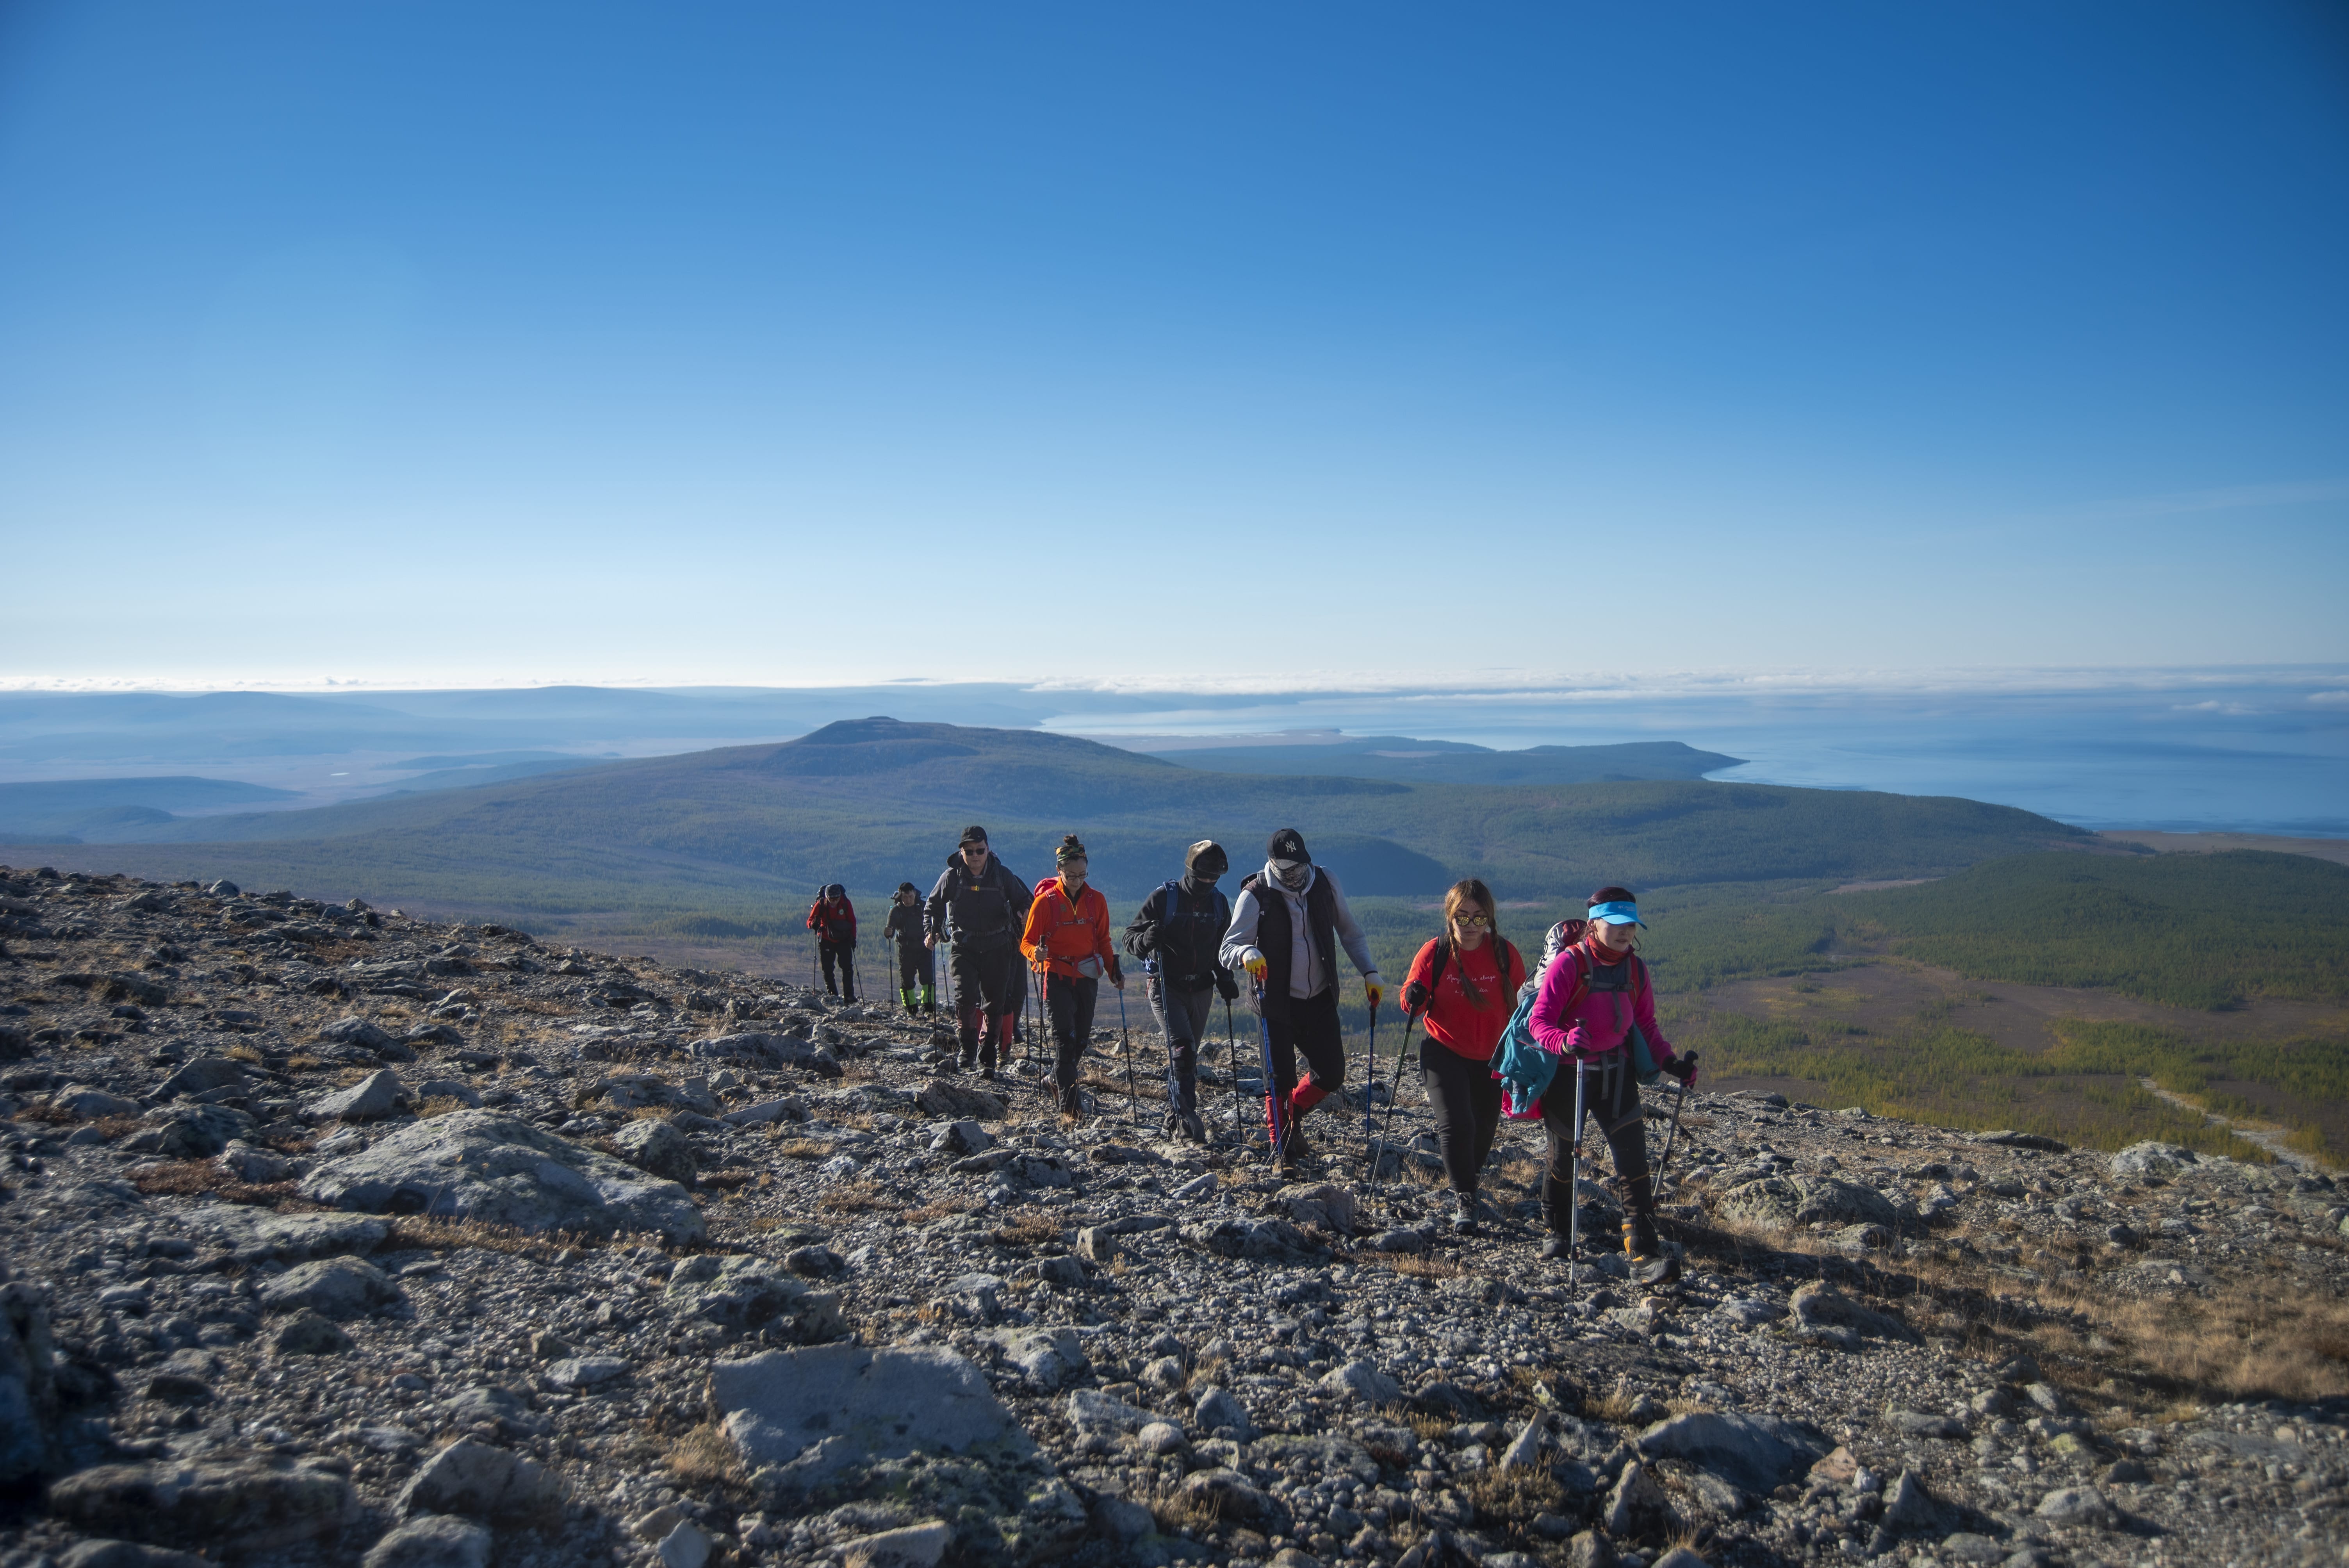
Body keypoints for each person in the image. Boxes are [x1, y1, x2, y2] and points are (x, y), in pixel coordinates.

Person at [1526, 885, 1698, 1286]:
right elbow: (1540, 1021)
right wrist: (1564, 1040)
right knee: (1563, 1157)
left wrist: (1671, 1063)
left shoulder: (1635, 970)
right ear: (1594, 923)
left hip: (1616, 1073)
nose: (1625, 932)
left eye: (1631, 925)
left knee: (1633, 1164)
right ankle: (1557, 1231)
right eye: (1616, 924)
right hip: (1571, 1073)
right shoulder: (1569, 964)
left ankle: (1643, 1253)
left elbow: (1647, 1026)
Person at [1219, 828, 1383, 1167]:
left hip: (1320, 998)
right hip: (1275, 1002)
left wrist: (1370, 972)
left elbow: (1350, 932)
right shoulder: (1256, 896)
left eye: (1300, 866)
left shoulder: (1324, 882)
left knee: (1332, 1073)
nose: (1295, 875)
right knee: (1279, 1080)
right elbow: (1226, 949)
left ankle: (1294, 1111)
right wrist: (1247, 952)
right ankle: (1283, 1154)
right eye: (1287, 869)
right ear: (1272, 865)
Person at [1399, 878, 1526, 1235]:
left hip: (1491, 1058)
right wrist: (1414, 995)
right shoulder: (1435, 952)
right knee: (1457, 1123)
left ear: (1489, 919)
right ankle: (1466, 1199)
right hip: (1444, 1051)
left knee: (1484, 1130)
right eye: (1463, 917)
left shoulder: (1504, 954)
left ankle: (1467, 1180)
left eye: (1479, 918)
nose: (1471, 926)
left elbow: (1526, 1004)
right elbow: (1413, 1001)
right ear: (1450, 917)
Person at [1124, 839, 1239, 1143]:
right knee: (1183, 1051)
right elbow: (1130, 938)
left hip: (1202, 988)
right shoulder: (1165, 899)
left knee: (1187, 1057)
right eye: (1202, 877)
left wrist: (1225, 978)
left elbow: (1223, 947)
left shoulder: (1218, 903)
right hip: (1166, 986)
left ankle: (1171, 1120)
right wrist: (1147, 939)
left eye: (1213, 879)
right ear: (1190, 870)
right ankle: (1187, 1123)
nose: (1207, 883)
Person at [1020, 834, 1124, 1117]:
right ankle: (1070, 1110)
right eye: (1071, 875)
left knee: (1080, 1041)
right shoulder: (1045, 903)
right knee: (1064, 1039)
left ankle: (1054, 1079)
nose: (1077, 881)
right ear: (1059, 871)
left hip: (1088, 976)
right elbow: (1026, 942)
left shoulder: (1096, 901)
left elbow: (1103, 940)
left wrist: (1114, 972)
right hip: (1056, 975)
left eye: (1082, 875)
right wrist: (1035, 955)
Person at [923, 826, 1033, 1078]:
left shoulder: (1003, 876)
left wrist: (1025, 914)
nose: (975, 855)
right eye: (969, 851)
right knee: (965, 999)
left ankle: (988, 1055)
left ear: (988, 850)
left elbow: (1024, 901)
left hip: (998, 947)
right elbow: (933, 906)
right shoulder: (952, 877)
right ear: (961, 851)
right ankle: (967, 1051)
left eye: (980, 850)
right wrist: (931, 931)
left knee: (995, 1004)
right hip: (964, 946)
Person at [882, 882, 935, 1014]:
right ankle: (910, 1008)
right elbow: (890, 929)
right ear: (901, 896)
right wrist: (888, 932)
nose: (908, 900)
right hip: (906, 950)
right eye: (905, 897)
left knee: (928, 979)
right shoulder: (896, 911)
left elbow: (932, 923)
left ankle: (928, 1006)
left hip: (924, 948)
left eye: (910, 897)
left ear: (915, 894)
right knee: (907, 980)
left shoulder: (923, 907)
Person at [804, 883, 857, 1001]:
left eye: (836, 899)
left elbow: (853, 921)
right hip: (826, 940)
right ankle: (833, 995)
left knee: (847, 968)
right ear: (827, 897)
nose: (834, 902)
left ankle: (849, 996)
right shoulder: (821, 904)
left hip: (844, 940)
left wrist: (853, 939)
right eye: (831, 899)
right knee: (827, 969)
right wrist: (813, 925)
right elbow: (810, 921)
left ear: (840, 897)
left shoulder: (846, 903)